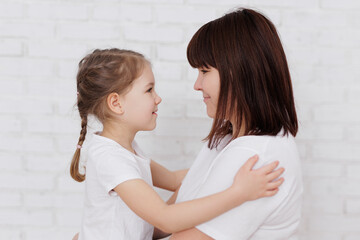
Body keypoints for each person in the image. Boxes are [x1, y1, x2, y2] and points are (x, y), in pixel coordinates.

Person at [70, 48, 285, 240]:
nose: (158, 98)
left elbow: (176, 180)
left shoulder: (127, 150)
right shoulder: (111, 159)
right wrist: (239, 192)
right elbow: (165, 220)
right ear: (116, 103)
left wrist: (226, 168)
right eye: (149, 90)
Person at [170, 8, 303, 240]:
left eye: (204, 71)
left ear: (238, 72)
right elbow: (169, 217)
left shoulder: (255, 157)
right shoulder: (225, 140)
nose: (197, 85)